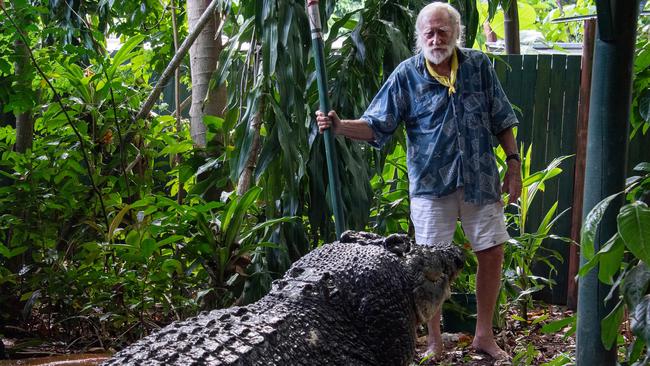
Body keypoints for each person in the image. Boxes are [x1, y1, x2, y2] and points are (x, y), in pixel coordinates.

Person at [315, 2, 522, 361]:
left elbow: (501, 117)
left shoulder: (478, 66)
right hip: (430, 185)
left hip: (480, 179)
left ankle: (484, 335)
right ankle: (433, 341)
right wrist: (340, 126)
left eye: (443, 30)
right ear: (419, 36)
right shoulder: (406, 74)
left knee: (492, 253)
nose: (435, 37)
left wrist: (514, 163)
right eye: (428, 31)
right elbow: (377, 123)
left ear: (456, 33)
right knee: (427, 267)